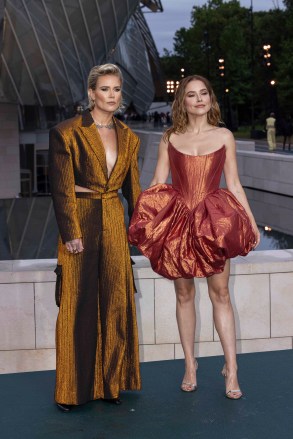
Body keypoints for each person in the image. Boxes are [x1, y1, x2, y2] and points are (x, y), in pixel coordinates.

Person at [129, 75, 260, 400]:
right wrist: (146, 219)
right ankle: (190, 364)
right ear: (182, 102)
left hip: (214, 223)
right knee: (184, 295)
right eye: (191, 94)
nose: (198, 99)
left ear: (210, 99)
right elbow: (159, 180)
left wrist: (252, 222)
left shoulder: (224, 135)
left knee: (221, 295)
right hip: (178, 224)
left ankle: (231, 369)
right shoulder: (170, 136)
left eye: (203, 93)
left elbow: (234, 183)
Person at [49, 63, 141, 412]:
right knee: (77, 303)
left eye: (116, 89)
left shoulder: (129, 136)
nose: (112, 96)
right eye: (105, 89)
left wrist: (146, 231)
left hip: (114, 220)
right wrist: (70, 232)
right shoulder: (67, 132)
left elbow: (134, 190)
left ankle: (111, 384)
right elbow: (60, 189)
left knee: (117, 299)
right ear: (91, 93)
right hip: (81, 219)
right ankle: (71, 390)